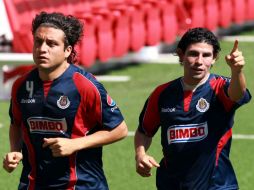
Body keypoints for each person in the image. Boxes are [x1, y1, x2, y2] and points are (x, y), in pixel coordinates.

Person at [3, 11, 128, 190]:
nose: (42, 49)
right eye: (38, 42)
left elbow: (120, 129)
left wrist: (75, 144)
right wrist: (15, 150)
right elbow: (16, 124)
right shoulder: (21, 85)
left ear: (67, 51)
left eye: (52, 44)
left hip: (81, 185)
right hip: (33, 184)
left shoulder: (84, 85)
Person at [134, 27, 251, 189]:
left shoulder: (220, 87)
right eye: (193, 54)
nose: (199, 61)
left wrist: (237, 71)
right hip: (172, 184)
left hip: (217, 185)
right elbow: (144, 131)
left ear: (215, 58)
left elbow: (237, 94)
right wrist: (140, 154)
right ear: (181, 54)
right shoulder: (162, 93)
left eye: (206, 55)